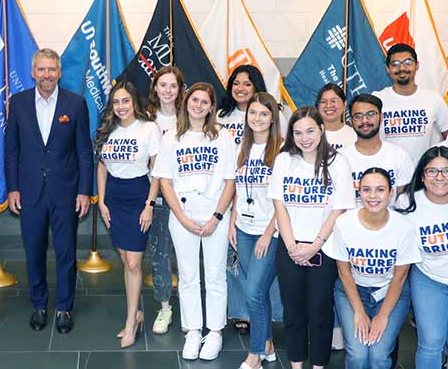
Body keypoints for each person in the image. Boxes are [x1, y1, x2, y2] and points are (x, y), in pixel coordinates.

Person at [5, 48, 93, 334]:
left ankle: (64, 308)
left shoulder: (76, 103)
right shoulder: (17, 103)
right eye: (41, 70)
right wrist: (13, 188)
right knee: (34, 251)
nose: (46, 75)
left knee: (66, 252)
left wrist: (84, 191)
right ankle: (39, 304)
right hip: (29, 191)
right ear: (33, 72)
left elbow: (84, 152)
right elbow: (11, 151)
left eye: (51, 70)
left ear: (59, 72)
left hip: (65, 191)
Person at [151, 82, 236, 361]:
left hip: (215, 215)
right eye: (194, 100)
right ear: (186, 102)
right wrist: (182, 217)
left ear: (212, 107)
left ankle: (214, 332)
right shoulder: (172, 137)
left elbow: (229, 181)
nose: (198, 105)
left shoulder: (222, 137)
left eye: (204, 101)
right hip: (182, 215)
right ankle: (192, 330)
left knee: (214, 275)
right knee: (187, 275)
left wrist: (217, 217)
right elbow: (164, 181)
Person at [269, 106, 354, 369]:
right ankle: (296, 365)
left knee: (319, 310)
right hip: (289, 245)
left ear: (321, 130)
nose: (305, 137)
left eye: (310, 131)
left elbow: (339, 209)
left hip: (324, 247)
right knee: (293, 311)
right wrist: (292, 245)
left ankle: (318, 366)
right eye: (298, 132)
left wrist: (315, 246)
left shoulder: (338, 162)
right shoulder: (284, 160)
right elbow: (279, 205)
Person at [395, 146, 448, 369]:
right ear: (422, 176)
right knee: (431, 343)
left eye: (447, 171)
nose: (440, 177)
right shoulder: (407, 202)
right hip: (429, 281)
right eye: (432, 171)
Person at [95, 80, 161, 348]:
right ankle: (137, 312)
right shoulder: (106, 131)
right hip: (113, 197)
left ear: (134, 102)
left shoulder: (148, 128)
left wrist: (149, 204)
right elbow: (101, 166)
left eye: (125, 100)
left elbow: (157, 170)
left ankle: (130, 322)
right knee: (126, 260)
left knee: (134, 263)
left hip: (138, 195)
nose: (121, 106)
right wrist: (101, 201)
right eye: (116, 102)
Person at [333, 169, 420, 369]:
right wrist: (359, 312)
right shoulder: (344, 223)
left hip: (390, 293)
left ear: (390, 193)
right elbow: (344, 272)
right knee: (357, 354)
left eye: (380, 190)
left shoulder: (404, 227)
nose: (373, 196)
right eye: (367, 190)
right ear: (359, 192)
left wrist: (382, 316)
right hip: (352, 291)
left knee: (379, 355)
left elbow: (399, 278)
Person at [231, 92, 285, 368]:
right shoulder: (242, 146)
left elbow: (285, 199)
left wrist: (268, 233)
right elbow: (238, 190)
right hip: (243, 229)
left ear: (272, 118)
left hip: (270, 233)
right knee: (258, 292)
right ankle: (267, 343)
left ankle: (255, 354)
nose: (258, 118)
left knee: (253, 292)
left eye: (264, 113)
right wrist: (232, 221)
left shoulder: (283, 150)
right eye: (253, 113)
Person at [145, 66, 184, 335]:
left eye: (173, 85)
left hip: (187, 196)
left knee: (188, 255)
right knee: (159, 254)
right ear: (155, 88)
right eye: (163, 85)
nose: (168, 90)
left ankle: (193, 308)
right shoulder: (145, 119)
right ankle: (165, 307)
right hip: (154, 195)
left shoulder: (190, 116)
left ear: (180, 90)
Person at [372, 44, 448, 160]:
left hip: (424, 173)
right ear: (387, 68)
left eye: (408, 62)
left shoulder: (433, 98)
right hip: (387, 172)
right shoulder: (377, 99)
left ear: (417, 65)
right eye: (395, 64)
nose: (402, 68)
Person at [340, 94, 415, 200]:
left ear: (381, 117)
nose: (365, 120)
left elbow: (404, 201)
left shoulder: (399, 155)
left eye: (371, 114)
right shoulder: (340, 158)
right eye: (358, 116)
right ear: (351, 122)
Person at [316, 83, 355, 151]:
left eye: (334, 101)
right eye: (323, 101)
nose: (328, 105)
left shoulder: (355, 135)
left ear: (344, 104)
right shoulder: (309, 135)